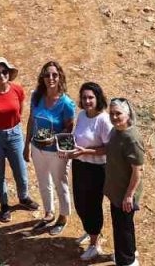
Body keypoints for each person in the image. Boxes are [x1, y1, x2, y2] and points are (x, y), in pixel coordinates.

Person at [0, 56, 39, 221]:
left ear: (8, 73)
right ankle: (4, 205)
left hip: (15, 135)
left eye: (4, 72)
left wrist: (12, 125)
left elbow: (19, 111)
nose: (1, 75)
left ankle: (23, 197)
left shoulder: (17, 90)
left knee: (20, 170)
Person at [25, 60, 76, 235]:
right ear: (42, 78)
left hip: (56, 151)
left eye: (54, 74)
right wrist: (27, 145)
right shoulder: (37, 96)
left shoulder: (66, 103)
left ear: (60, 76)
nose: (51, 78)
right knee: (43, 181)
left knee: (60, 183)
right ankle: (49, 212)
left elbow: (70, 127)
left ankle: (63, 217)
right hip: (37, 148)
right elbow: (31, 120)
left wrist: (58, 144)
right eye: (47, 75)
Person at [64, 82, 113, 261]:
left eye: (91, 97)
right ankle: (89, 230)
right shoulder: (82, 115)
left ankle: (94, 244)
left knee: (92, 205)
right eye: (84, 97)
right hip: (80, 165)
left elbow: (109, 148)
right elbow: (78, 138)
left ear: (98, 98)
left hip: (96, 168)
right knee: (80, 202)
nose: (87, 101)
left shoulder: (104, 120)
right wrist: (69, 152)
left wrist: (87, 152)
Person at [105, 98, 145, 266]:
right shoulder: (116, 131)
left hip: (125, 193)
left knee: (123, 228)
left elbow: (138, 171)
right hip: (116, 191)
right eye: (111, 113)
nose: (114, 117)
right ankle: (130, 253)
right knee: (123, 226)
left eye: (118, 113)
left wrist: (129, 196)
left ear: (128, 115)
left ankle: (127, 261)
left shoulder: (132, 138)